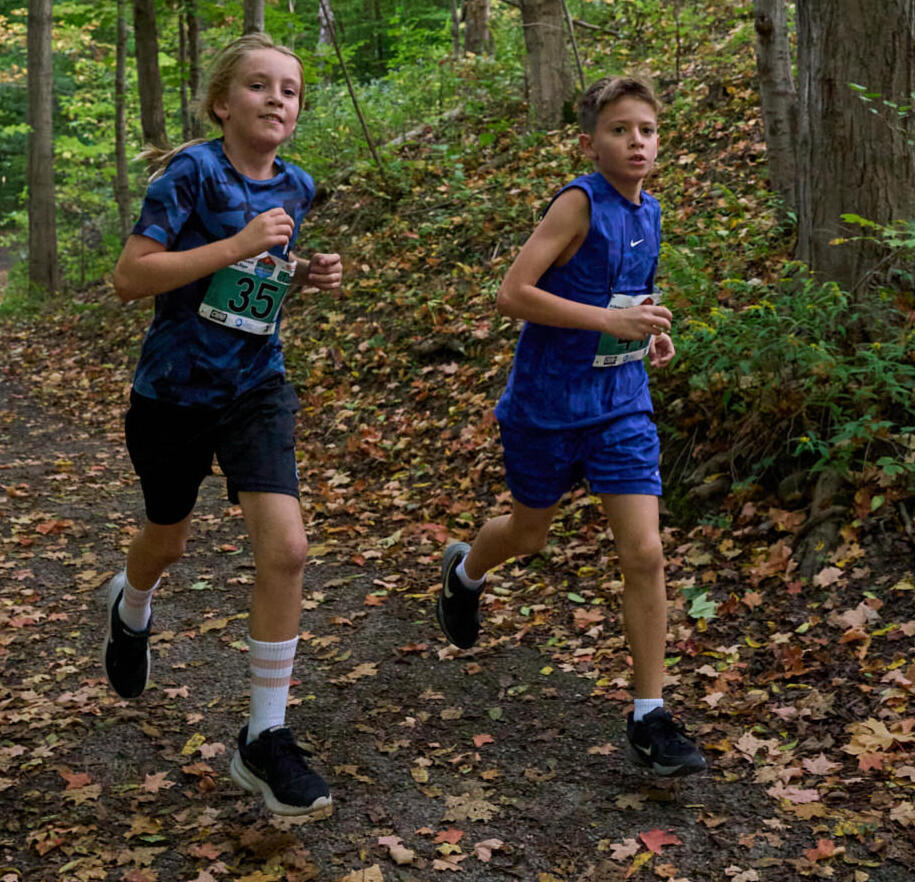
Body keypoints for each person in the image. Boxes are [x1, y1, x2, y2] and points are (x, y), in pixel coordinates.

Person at [436, 76, 706, 777]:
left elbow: (622, 299)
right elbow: (511, 294)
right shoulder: (577, 203)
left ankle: (649, 713)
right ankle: (465, 573)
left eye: (646, 129)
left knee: (643, 552)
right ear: (590, 142)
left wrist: (644, 332)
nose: (636, 141)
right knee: (529, 534)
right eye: (620, 130)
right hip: (546, 408)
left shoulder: (648, 211)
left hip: (620, 405)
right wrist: (607, 321)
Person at [102, 33, 342, 816]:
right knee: (166, 539)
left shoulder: (298, 186)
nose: (278, 99)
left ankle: (263, 738)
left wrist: (304, 273)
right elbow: (131, 276)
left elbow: (258, 284)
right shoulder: (191, 174)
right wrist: (236, 242)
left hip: (254, 387)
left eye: (292, 90)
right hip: (172, 392)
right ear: (221, 103)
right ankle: (130, 606)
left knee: (289, 547)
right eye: (260, 86)